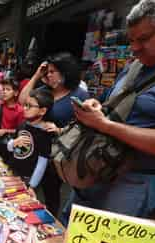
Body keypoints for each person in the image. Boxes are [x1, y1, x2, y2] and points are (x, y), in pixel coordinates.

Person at [60, 0, 155, 225]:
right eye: (132, 40)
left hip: (137, 178)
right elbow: (111, 101)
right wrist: (99, 107)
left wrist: (105, 126)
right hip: (99, 165)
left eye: (144, 38)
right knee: (72, 228)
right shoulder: (137, 63)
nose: (135, 48)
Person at [20, 52, 89, 216]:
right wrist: (37, 75)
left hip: (56, 154)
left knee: (51, 192)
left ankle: (49, 224)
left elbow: (84, 127)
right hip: (34, 148)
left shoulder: (79, 95)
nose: (48, 75)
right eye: (47, 72)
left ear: (65, 72)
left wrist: (59, 130)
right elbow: (23, 101)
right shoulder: (44, 90)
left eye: (52, 72)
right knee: (26, 187)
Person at [5, 89, 54, 206]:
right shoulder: (22, 124)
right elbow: (10, 148)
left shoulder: (44, 132)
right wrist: (14, 143)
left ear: (42, 111)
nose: (25, 108)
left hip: (27, 178)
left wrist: (32, 185)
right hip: (13, 171)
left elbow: (42, 161)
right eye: (25, 105)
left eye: (30, 106)